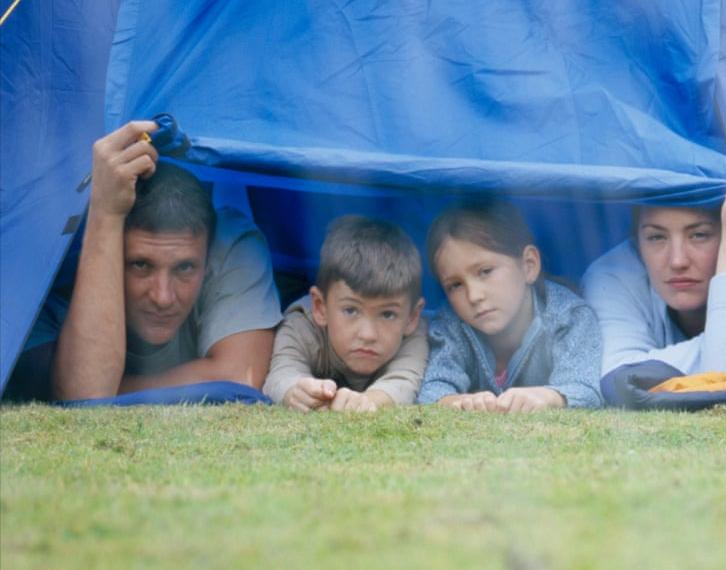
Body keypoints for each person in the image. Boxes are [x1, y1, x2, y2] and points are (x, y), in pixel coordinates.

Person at [10, 120, 281, 401]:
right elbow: (84, 395)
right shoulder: (47, 272)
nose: (162, 297)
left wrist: (114, 391)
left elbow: (240, 377)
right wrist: (107, 213)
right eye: (140, 265)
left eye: (185, 268)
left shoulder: (230, 243)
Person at [581, 166, 726, 379]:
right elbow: (621, 376)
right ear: (637, 241)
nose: (678, 261)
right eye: (656, 237)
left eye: (699, 235)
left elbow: (725, 371)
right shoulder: (612, 273)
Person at [416, 200, 602, 412]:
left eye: (485, 271)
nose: (474, 296)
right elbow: (433, 388)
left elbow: (585, 388)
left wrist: (549, 397)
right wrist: (454, 401)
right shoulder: (450, 323)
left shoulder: (570, 317)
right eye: (455, 285)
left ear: (528, 265)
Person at [263, 215, 428, 412]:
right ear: (320, 307)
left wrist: (369, 401)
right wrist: (296, 391)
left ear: (412, 317)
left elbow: (403, 382)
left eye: (387, 314)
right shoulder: (302, 325)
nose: (368, 335)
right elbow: (281, 373)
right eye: (351, 310)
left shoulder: (413, 336)